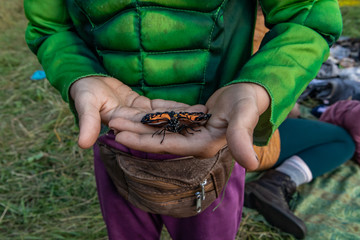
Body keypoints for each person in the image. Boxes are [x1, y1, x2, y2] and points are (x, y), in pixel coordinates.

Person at [24, 1, 343, 239]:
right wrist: (80, 76)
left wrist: (260, 84)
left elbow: (308, 16)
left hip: (212, 134)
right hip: (117, 126)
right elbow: (50, 26)